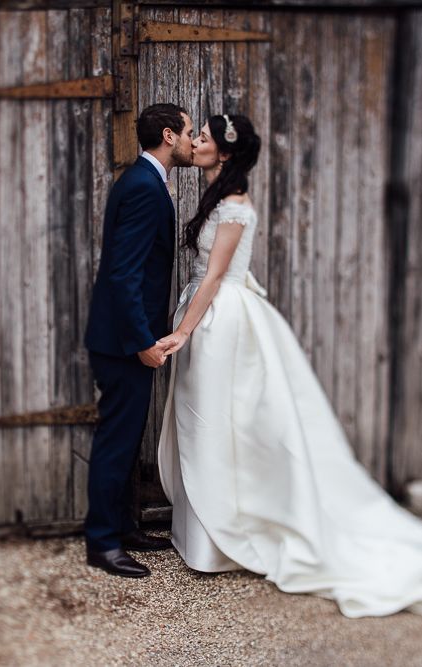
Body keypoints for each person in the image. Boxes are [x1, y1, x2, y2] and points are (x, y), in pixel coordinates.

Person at [157, 113, 422, 617]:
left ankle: (227, 535)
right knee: (199, 420)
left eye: (204, 138)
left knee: (217, 421)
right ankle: (201, 534)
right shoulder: (216, 196)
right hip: (206, 313)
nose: (195, 142)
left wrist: (182, 331)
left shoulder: (235, 207)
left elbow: (215, 278)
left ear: (227, 154)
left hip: (219, 320)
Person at [83, 103, 194, 578]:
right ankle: (102, 543)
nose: (192, 140)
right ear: (168, 136)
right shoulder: (146, 188)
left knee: (127, 441)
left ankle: (124, 525)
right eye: (189, 132)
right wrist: (142, 341)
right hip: (124, 342)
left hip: (126, 339)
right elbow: (123, 274)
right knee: (116, 441)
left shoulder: (143, 181)